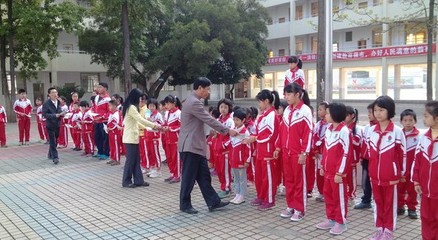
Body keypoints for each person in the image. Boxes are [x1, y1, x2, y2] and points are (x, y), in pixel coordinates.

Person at [178, 77, 237, 214]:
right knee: (189, 177)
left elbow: (199, 123)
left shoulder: (192, 100)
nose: (209, 92)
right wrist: (227, 130)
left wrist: (212, 132)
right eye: (207, 88)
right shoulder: (194, 102)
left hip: (195, 146)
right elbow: (209, 119)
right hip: (190, 146)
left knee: (204, 175)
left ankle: (213, 202)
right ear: (200, 88)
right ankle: (185, 204)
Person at [366, 96, 406, 240]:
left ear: (390, 111)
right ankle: (379, 228)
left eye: (381, 110)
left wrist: (401, 172)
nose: (377, 113)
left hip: (391, 177)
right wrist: (371, 169)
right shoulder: (371, 131)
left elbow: (403, 154)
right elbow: (369, 153)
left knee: (389, 204)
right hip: (375, 176)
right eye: (375, 110)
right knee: (377, 203)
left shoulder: (397, 131)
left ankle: (388, 230)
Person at [316, 102, 351, 235]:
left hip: (338, 174)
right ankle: (331, 218)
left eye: (328, 113)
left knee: (339, 197)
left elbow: (345, 154)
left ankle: (341, 222)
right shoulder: (329, 129)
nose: (325, 114)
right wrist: (322, 165)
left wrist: (339, 172)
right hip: (328, 172)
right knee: (329, 196)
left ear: (335, 114)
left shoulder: (344, 131)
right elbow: (326, 150)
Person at [246, 89, 281, 211]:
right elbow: (258, 130)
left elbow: (271, 134)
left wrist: (254, 138)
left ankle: (270, 199)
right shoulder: (263, 115)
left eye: (260, 102)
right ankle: (261, 195)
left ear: (266, 101)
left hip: (268, 150)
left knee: (268, 176)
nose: (259, 105)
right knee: (260, 176)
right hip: (260, 149)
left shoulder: (273, 115)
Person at [121, 88, 160, 188]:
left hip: (133, 137)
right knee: (130, 161)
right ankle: (126, 181)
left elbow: (138, 122)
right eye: (140, 99)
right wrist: (154, 126)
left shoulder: (131, 107)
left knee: (136, 160)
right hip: (130, 138)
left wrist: (151, 127)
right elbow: (140, 119)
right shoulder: (131, 108)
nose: (141, 101)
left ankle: (138, 180)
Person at [412, 101, 438, 240]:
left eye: (426, 116)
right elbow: (417, 161)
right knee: (426, 219)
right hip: (425, 192)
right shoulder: (424, 138)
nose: (423, 119)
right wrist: (416, 181)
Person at [397, 109, 419, 219]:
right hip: (401, 169)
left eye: (411, 120)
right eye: (405, 120)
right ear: (401, 121)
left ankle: (412, 208)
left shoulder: (419, 136)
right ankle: (400, 206)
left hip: (413, 169)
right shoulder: (398, 134)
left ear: (415, 121)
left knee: (412, 190)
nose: (408, 122)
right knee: (400, 188)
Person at [354, 103, 377, 210]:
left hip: (378, 160)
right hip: (367, 159)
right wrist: (362, 157)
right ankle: (366, 200)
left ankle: (380, 201)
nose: (369, 114)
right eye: (368, 112)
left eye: (371, 112)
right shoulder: (368, 127)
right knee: (365, 181)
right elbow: (363, 143)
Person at [212, 98, 235, 198]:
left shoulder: (230, 121)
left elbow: (232, 135)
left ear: (229, 108)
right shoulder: (218, 120)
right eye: (221, 107)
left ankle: (227, 188)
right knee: (219, 170)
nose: (223, 109)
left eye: (225, 107)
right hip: (217, 150)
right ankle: (222, 187)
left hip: (225, 151)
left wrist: (224, 145)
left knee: (225, 170)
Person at [229, 108, 250, 205]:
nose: (235, 122)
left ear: (243, 120)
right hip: (234, 160)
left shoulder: (245, 132)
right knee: (236, 178)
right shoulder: (233, 131)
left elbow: (248, 148)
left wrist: (247, 160)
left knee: (242, 179)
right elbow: (231, 146)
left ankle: (242, 195)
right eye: (234, 119)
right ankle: (237, 194)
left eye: (237, 120)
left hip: (241, 161)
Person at [42, 87, 66, 165]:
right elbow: (45, 114)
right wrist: (55, 115)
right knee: (52, 141)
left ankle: (50, 154)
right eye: (53, 92)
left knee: (55, 140)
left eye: (56, 92)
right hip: (50, 125)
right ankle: (55, 157)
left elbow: (59, 110)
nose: (55, 94)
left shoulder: (58, 102)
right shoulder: (46, 103)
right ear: (49, 94)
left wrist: (62, 113)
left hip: (57, 124)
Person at [162, 95, 182, 184]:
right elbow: (165, 123)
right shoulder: (167, 113)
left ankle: (178, 175)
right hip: (167, 138)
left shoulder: (179, 113)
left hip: (176, 140)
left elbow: (181, 126)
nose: (166, 105)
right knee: (169, 157)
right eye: (165, 104)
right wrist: (162, 128)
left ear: (174, 103)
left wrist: (170, 128)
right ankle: (172, 173)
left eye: (168, 103)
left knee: (176, 158)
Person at [345, 106, 363, 202]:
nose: (344, 118)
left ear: (352, 116)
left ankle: (351, 194)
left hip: (352, 157)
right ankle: (345, 193)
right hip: (344, 157)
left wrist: (348, 134)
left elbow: (357, 141)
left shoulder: (357, 128)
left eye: (346, 115)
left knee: (351, 177)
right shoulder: (343, 127)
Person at [313, 101, 329, 202]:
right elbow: (314, 136)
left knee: (326, 172)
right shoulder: (318, 124)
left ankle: (327, 193)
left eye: (321, 110)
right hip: (319, 153)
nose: (319, 112)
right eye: (318, 110)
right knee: (319, 173)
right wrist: (315, 149)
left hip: (326, 153)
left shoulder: (330, 125)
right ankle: (321, 192)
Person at [145, 98, 163, 178]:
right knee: (150, 153)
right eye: (150, 106)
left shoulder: (158, 115)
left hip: (154, 136)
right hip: (148, 135)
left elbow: (160, 124)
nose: (151, 108)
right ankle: (152, 167)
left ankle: (158, 169)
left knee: (155, 153)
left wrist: (151, 121)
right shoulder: (147, 113)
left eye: (153, 106)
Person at [93, 82, 111, 160]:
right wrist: (92, 114)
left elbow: (109, 111)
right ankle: (100, 151)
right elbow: (93, 107)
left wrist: (102, 117)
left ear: (105, 89)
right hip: (96, 121)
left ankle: (106, 153)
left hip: (104, 121)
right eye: (98, 87)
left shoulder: (108, 99)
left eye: (100, 87)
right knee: (97, 137)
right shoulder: (96, 97)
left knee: (105, 138)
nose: (98, 89)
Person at [107, 100, 123, 166]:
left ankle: (117, 159)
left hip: (115, 133)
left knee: (116, 146)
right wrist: (107, 128)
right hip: (111, 132)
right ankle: (113, 158)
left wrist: (111, 128)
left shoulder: (117, 113)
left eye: (110, 105)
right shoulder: (111, 113)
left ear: (114, 106)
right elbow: (109, 122)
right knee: (112, 146)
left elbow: (117, 123)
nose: (109, 107)